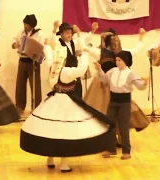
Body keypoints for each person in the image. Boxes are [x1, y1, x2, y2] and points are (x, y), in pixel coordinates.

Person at [20, 45, 114, 173]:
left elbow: (48, 57)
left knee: (51, 131)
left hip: (53, 102)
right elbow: (81, 69)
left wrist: (48, 46)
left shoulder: (53, 67)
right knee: (65, 133)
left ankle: (50, 159)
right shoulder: (66, 71)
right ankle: (64, 164)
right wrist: (85, 55)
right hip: (65, 103)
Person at [83, 28, 149, 147]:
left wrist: (87, 33)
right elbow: (136, 50)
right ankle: (116, 139)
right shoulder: (119, 52)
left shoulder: (100, 52)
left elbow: (83, 47)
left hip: (106, 86)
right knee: (115, 113)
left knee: (104, 113)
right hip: (106, 84)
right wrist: (140, 38)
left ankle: (110, 140)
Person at [95, 51, 149, 159]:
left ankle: (126, 151)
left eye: (120, 60)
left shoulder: (130, 73)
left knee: (124, 126)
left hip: (124, 102)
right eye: (116, 60)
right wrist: (99, 70)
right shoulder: (112, 71)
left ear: (126, 61)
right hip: (113, 101)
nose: (117, 62)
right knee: (109, 125)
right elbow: (104, 80)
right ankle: (110, 149)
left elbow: (140, 86)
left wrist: (145, 83)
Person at [12, 14, 45, 116]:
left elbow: (41, 47)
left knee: (35, 85)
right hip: (22, 60)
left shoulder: (39, 33)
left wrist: (32, 44)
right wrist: (15, 44)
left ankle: (36, 108)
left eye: (27, 24)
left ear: (32, 25)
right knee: (20, 84)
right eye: (24, 23)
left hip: (33, 62)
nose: (25, 26)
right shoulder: (21, 32)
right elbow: (14, 41)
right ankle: (20, 107)